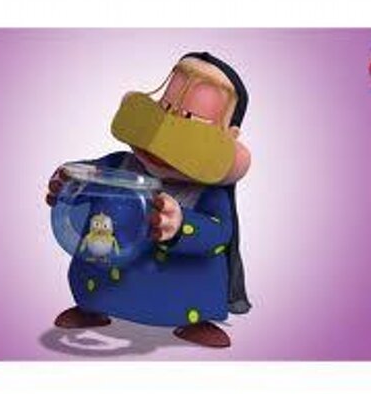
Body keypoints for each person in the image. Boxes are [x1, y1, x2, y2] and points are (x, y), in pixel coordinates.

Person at [46, 52, 252, 348]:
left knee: (191, 294)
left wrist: (181, 224)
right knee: (94, 287)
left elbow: (219, 233)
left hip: (180, 294)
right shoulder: (121, 163)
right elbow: (89, 177)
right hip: (102, 279)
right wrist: (68, 182)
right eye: (165, 106)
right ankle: (92, 306)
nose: (167, 131)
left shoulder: (207, 192)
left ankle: (196, 321)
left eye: (191, 119)